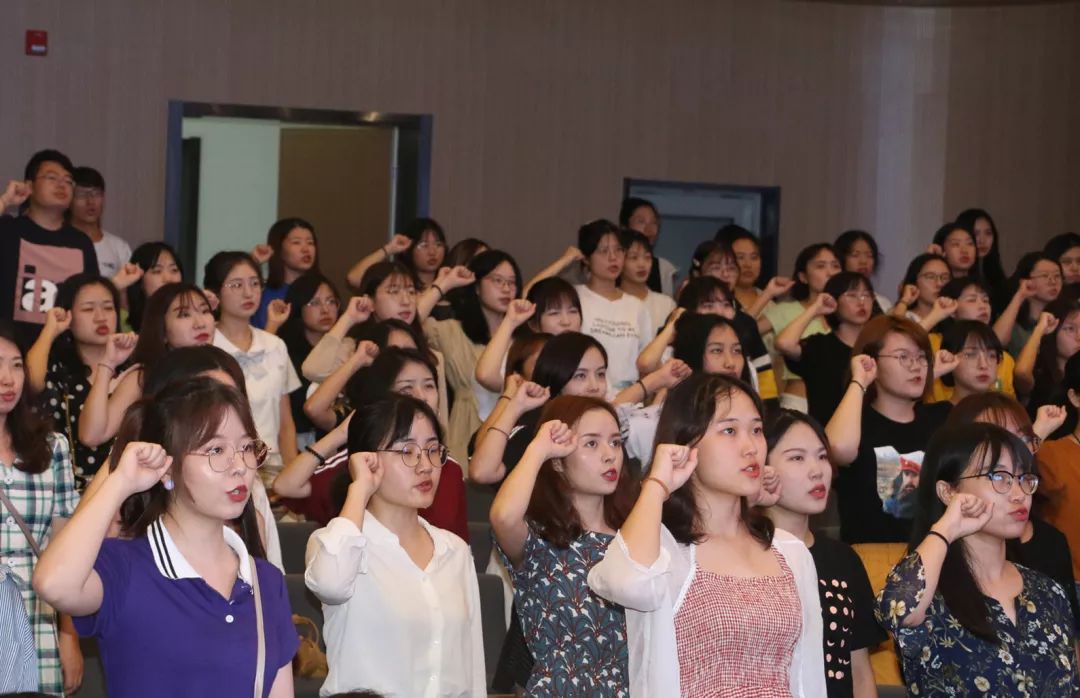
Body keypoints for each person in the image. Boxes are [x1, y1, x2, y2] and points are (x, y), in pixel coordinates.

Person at [33, 378, 298, 697]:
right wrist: (120, 482)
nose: (239, 466)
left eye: (246, 447)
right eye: (216, 450)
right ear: (167, 468)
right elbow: (53, 584)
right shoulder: (125, 567)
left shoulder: (265, 580)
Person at [587, 373, 825, 696]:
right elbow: (624, 583)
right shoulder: (664, 550)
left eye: (756, 430)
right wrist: (657, 484)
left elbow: (808, 678)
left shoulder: (790, 552)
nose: (751, 447)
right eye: (729, 430)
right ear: (686, 444)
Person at [875, 422, 1080, 695]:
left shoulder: (1048, 591)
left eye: (1023, 478)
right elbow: (899, 610)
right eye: (999, 477)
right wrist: (947, 528)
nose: (1019, 494)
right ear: (948, 491)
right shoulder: (928, 591)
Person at [305, 395, 485, 697]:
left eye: (432, 450)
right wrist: (360, 487)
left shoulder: (454, 550)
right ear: (367, 460)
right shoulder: (338, 543)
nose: (425, 466)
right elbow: (331, 584)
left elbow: (472, 666)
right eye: (407, 452)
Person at [490, 395, 635, 696]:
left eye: (615, 442)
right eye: (592, 443)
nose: (610, 455)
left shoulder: (635, 537)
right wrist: (539, 448)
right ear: (557, 461)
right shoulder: (540, 539)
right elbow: (503, 516)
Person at [763, 410, 885, 698]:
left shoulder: (843, 559)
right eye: (797, 458)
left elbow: (860, 672)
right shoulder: (741, 556)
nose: (817, 470)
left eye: (821, 456)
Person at [292, 346, 469, 540]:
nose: (421, 397)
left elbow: (460, 540)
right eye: (406, 452)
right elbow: (288, 486)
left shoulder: (448, 468)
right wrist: (342, 433)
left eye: (429, 386)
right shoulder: (359, 463)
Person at [944, 392, 1080, 634]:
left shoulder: (1052, 541)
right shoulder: (934, 556)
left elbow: (1071, 639)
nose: (1012, 452)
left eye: (1022, 440)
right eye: (996, 439)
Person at [0, 321, 81, 695]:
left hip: (38, 611)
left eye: (17, 365)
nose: (8, 378)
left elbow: (66, 550)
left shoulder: (52, 447)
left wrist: (69, 634)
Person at [826, 316, 953, 542]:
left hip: (934, 551)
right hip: (871, 556)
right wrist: (860, 380)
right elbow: (837, 449)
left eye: (922, 357)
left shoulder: (941, 417)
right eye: (903, 357)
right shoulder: (855, 423)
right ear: (872, 361)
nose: (915, 365)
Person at [25, 274, 131, 489]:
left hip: (121, 489)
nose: (101, 317)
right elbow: (30, 384)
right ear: (68, 315)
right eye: (88, 309)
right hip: (61, 488)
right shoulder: (57, 369)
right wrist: (50, 330)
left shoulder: (132, 371)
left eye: (108, 307)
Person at [205, 251, 301, 480]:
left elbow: (285, 424)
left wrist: (291, 475)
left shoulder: (274, 345)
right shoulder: (207, 346)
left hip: (272, 467)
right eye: (236, 285)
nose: (248, 293)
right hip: (223, 468)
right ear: (215, 292)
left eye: (255, 283)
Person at [425, 250, 521, 461]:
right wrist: (444, 284)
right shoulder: (451, 331)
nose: (506, 288)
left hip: (512, 433)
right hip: (465, 427)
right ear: (477, 286)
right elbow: (407, 323)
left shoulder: (523, 338)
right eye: (497, 280)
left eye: (512, 282)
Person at [0, 150, 99, 346]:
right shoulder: (8, 230)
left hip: (65, 349)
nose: (62, 185)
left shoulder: (81, 242)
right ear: (29, 186)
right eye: (52, 178)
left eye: (68, 181)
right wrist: (5, 201)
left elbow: (91, 295)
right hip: (11, 349)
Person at [776, 271, 876, 425]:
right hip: (827, 430)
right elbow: (784, 343)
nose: (861, 302)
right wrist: (815, 308)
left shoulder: (877, 347)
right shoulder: (819, 346)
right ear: (834, 300)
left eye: (866, 295)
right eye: (852, 295)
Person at [757, 243, 842, 410]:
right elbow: (743, 331)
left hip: (838, 403)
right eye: (821, 266)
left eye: (836, 266)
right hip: (799, 402)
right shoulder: (785, 310)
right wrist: (767, 294)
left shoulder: (846, 314)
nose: (830, 272)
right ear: (803, 277)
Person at [573, 220, 652, 392]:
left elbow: (647, 361)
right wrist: (564, 261)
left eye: (618, 250)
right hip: (586, 393)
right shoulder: (574, 297)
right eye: (603, 251)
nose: (613, 257)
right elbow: (531, 296)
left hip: (629, 398)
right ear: (586, 258)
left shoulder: (637, 306)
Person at [474, 279, 582, 393]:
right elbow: (485, 376)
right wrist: (510, 321)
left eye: (573, 311)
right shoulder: (528, 359)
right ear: (533, 324)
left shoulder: (588, 353)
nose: (566, 321)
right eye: (554, 313)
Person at [274, 272, 341, 449]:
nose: (325, 310)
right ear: (298, 307)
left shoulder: (348, 347)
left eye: (331, 301)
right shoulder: (285, 352)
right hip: (298, 442)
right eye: (314, 303)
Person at [1015, 297, 1080, 412]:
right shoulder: (1040, 373)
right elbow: (1021, 373)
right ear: (1052, 331)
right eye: (1070, 329)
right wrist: (1040, 329)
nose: (1079, 336)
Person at [253, 218, 318, 329]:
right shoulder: (263, 295)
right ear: (279, 248)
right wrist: (254, 262)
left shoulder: (321, 290)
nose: (306, 249)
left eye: (310, 243)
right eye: (296, 242)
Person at [995, 253, 1063, 356]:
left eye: (1057, 276)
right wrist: (1020, 295)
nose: (1053, 282)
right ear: (1026, 280)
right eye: (1045, 276)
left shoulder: (1064, 316)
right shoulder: (1011, 321)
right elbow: (996, 343)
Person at [68, 167, 131, 279]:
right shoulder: (60, 242)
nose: (90, 201)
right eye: (82, 195)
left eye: (96, 194)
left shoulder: (119, 247)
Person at [933, 320, 1008, 405]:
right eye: (971, 355)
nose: (983, 365)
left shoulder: (1007, 411)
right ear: (949, 360)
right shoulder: (931, 412)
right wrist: (935, 372)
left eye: (992, 356)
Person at [619, 197, 677, 296]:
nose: (649, 229)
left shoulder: (663, 268)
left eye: (654, 222)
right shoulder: (613, 262)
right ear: (624, 226)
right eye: (641, 221)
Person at [620, 230, 676, 332]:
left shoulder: (666, 304)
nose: (642, 264)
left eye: (647, 257)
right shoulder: (611, 302)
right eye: (634, 258)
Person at [124, 242, 183, 332]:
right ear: (139, 280)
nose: (168, 279)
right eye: (157, 271)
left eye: (174, 270)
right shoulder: (123, 322)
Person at [833, 229, 893, 313]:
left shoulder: (883, 303)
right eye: (855, 255)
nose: (863, 261)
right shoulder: (829, 300)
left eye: (869, 255)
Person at [956, 209, 1008, 302]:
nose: (982, 240)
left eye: (988, 233)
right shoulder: (958, 275)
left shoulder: (994, 276)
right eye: (976, 234)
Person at [716, 224, 766, 311]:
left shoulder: (769, 302)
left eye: (754, 257)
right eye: (740, 257)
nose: (748, 265)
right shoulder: (715, 302)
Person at [893, 253, 950, 324]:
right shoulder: (906, 317)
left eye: (945, 278)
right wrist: (904, 301)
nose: (939, 284)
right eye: (931, 277)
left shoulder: (954, 317)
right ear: (914, 282)